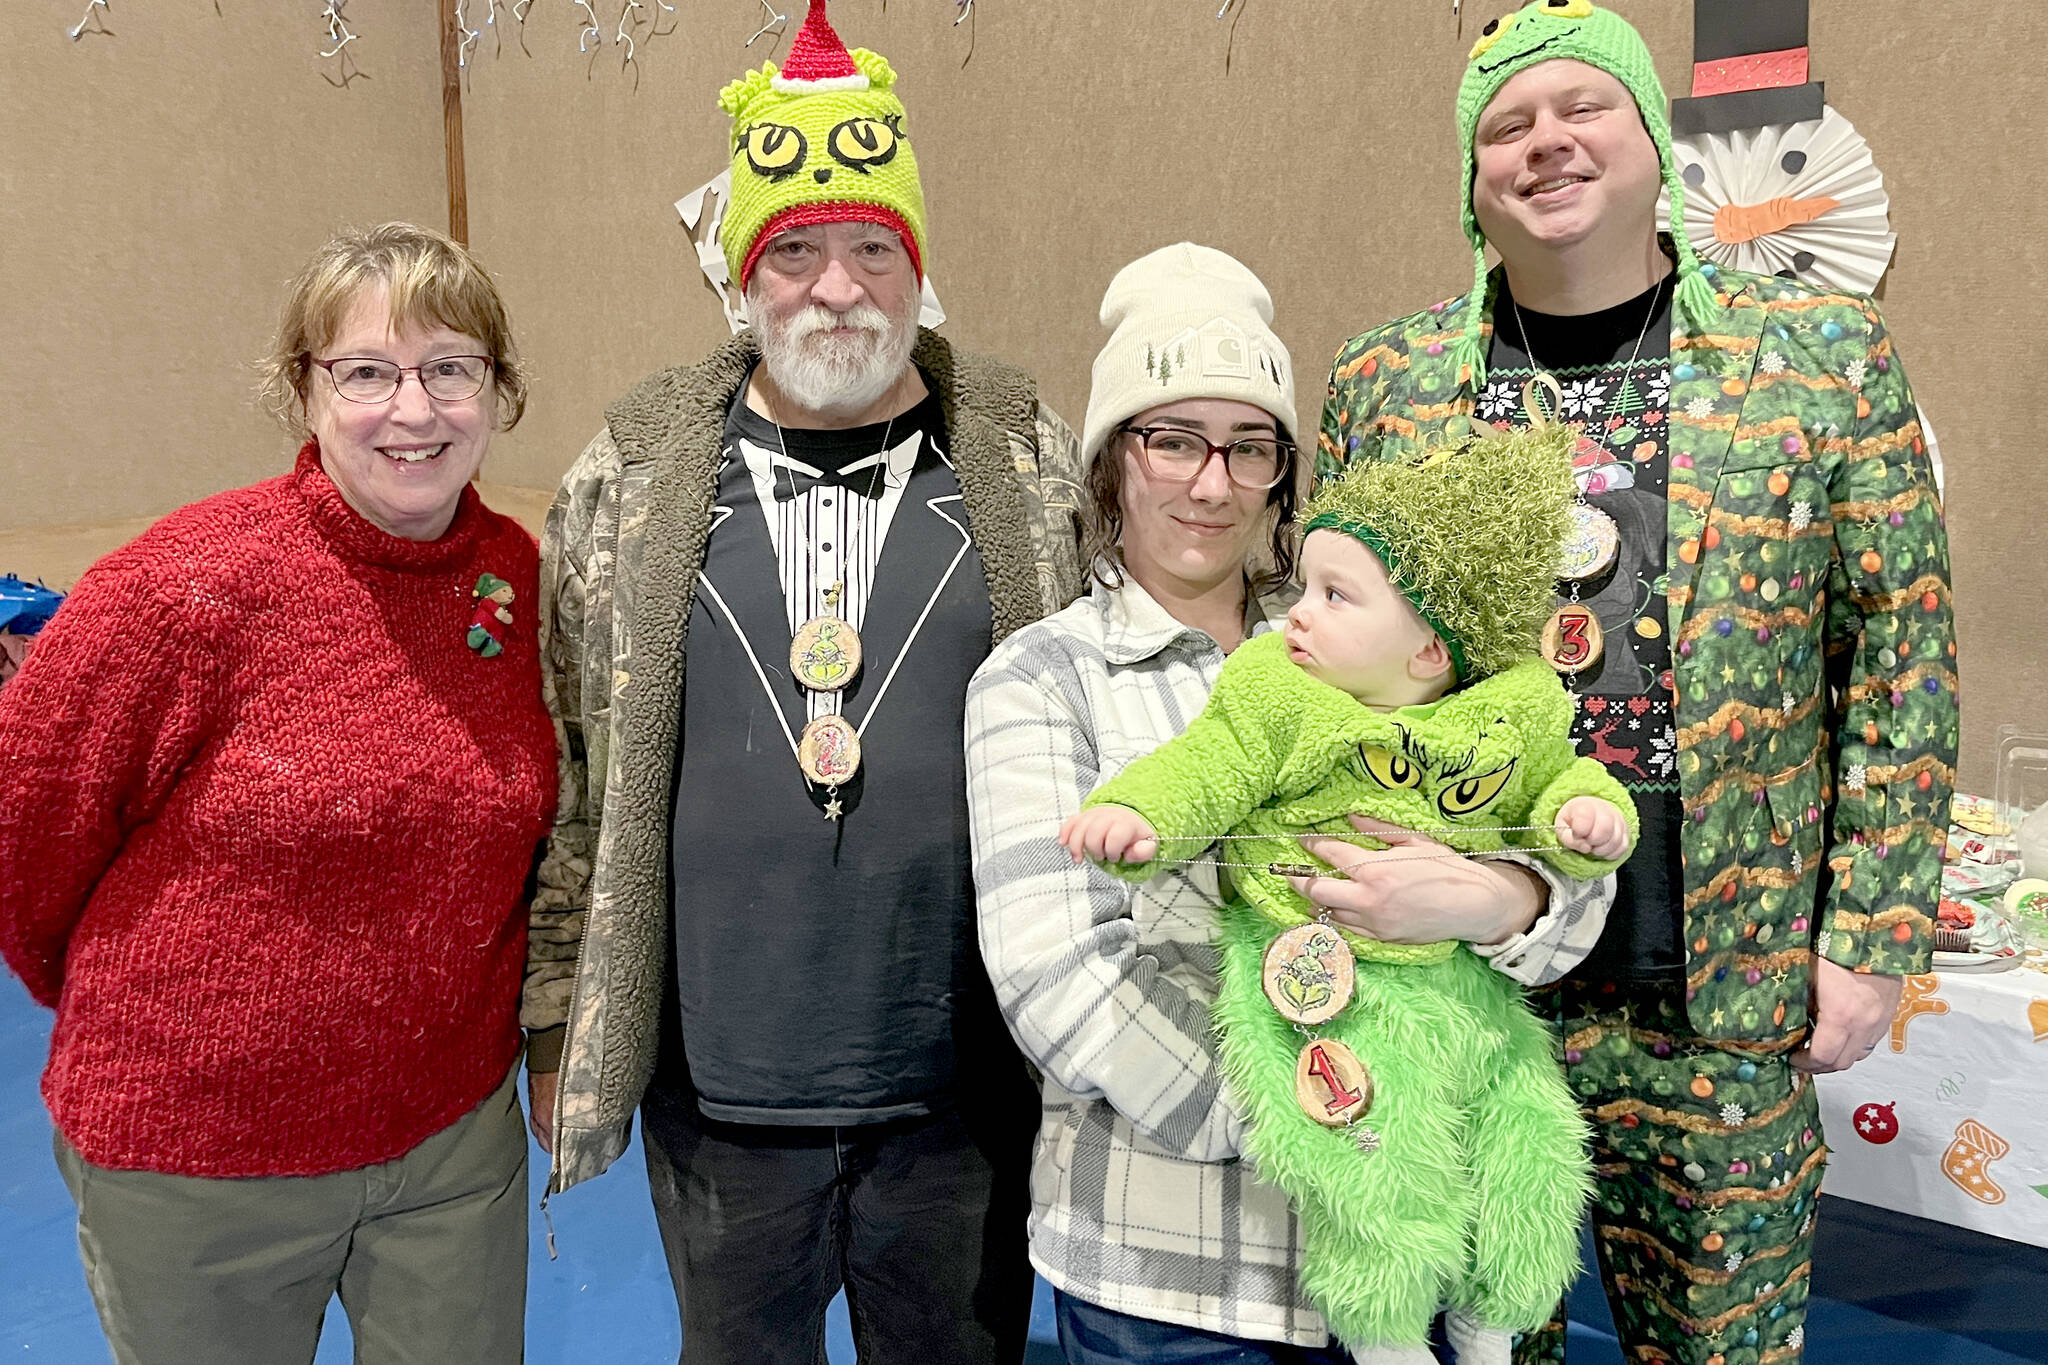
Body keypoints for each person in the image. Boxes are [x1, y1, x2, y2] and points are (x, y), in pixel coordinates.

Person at [1320, 4, 1959, 1361]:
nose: (1548, 143)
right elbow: (1343, 682)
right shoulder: (1386, 387)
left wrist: (1871, 940)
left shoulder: (1824, 365)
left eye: (1583, 108)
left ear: (1652, 134)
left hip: (1726, 1004)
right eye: (1507, 125)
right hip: (1477, 989)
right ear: (1469, 177)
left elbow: (1900, 667)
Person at [518, 2, 1084, 1360]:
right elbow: (572, 774)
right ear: (744, 277)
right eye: (801, 252)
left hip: (964, 1091)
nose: (841, 289)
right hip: (722, 1093)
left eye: (875, 248)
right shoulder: (632, 473)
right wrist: (556, 1021)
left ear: (920, 269)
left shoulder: (1024, 460)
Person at [965, 241, 1616, 1364]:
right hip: (1169, 1278)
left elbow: (1561, 887)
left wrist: (1489, 899)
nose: (1210, 483)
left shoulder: (1384, 646)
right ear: (1111, 461)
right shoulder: (1039, 677)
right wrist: (1339, 1115)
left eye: (1248, 446)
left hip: (1418, 1268)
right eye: (1170, 438)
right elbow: (1058, 977)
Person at [0, 221, 556, 1365]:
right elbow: (26, 826)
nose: (414, 410)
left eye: (452, 368)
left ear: (497, 392)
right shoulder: (183, 590)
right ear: (301, 389)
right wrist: (166, 1031)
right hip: (197, 1160)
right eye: (365, 372)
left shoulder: (522, 580)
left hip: (448, 1145)